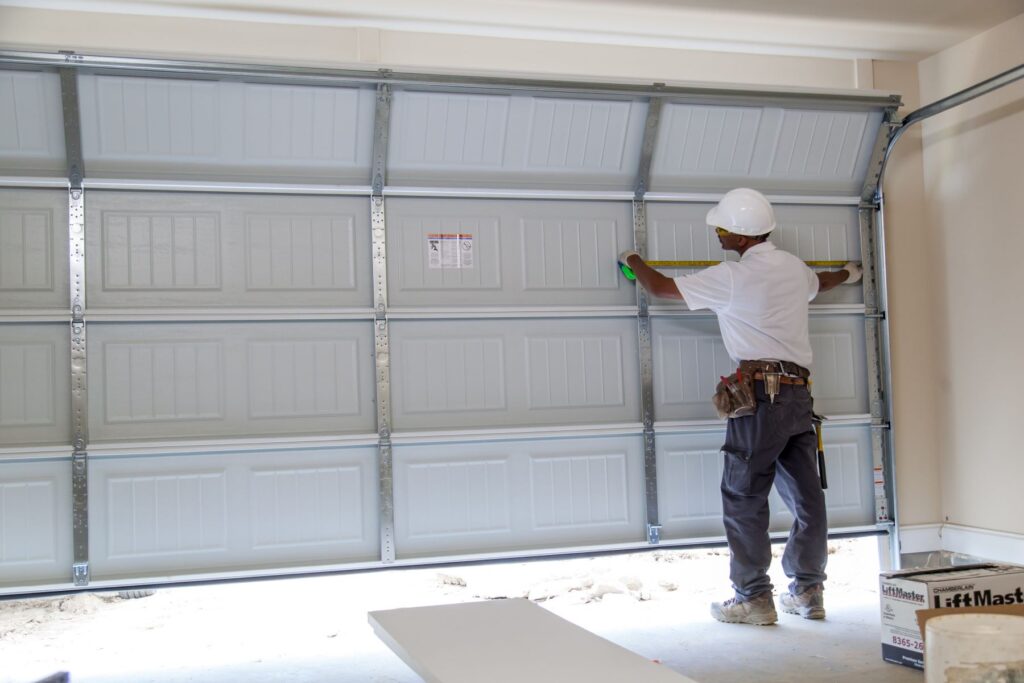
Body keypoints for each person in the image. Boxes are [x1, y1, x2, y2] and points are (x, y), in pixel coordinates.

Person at [617, 187, 862, 626]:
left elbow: (658, 287)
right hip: (797, 398)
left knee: (744, 495)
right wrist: (850, 272)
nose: (717, 234)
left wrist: (631, 258)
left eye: (722, 228)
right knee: (807, 497)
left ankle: (753, 597)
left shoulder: (730, 277)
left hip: (760, 399)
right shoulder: (793, 268)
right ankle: (808, 590)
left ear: (742, 237)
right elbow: (820, 283)